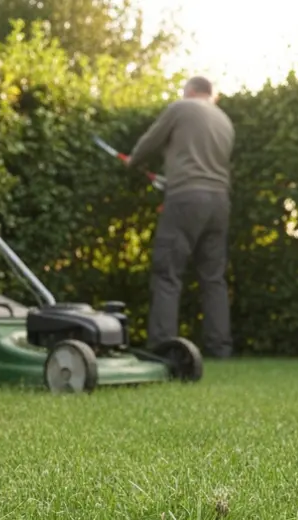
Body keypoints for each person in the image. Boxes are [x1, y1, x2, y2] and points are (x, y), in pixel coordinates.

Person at [125, 75, 236, 359]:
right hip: (219, 201)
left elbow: (151, 141)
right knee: (213, 278)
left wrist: (134, 161)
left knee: (167, 274)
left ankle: (162, 348)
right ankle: (219, 348)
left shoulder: (181, 108)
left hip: (186, 197)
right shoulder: (225, 121)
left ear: (190, 91)